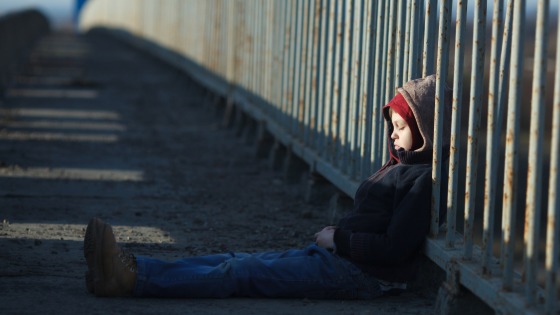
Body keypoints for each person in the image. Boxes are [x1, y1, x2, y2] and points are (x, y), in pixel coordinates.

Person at [83, 74, 451, 299]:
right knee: (234, 260)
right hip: (340, 260)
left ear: (424, 129)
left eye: (400, 127)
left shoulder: (419, 180)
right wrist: (337, 239)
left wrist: (339, 240)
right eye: (393, 125)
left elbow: (394, 248)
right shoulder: (398, 167)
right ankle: (132, 269)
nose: (392, 134)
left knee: (240, 274)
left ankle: (130, 282)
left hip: (361, 277)